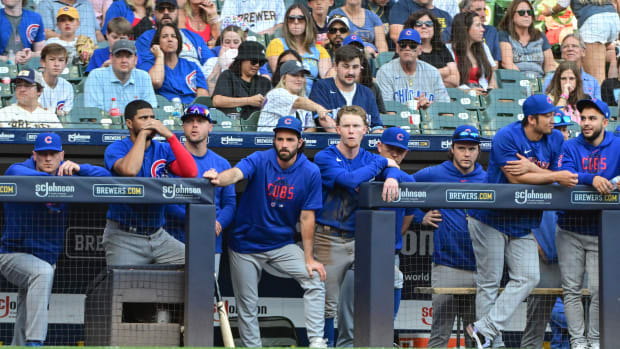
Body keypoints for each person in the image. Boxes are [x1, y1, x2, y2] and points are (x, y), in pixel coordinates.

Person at [204, 116, 328, 348]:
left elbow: (307, 217)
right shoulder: (260, 158)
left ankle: (317, 341)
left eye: (290, 139)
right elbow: (238, 173)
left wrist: (309, 258)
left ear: (300, 142)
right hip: (245, 246)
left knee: (314, 279)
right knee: (247, 304)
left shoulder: (310, 171)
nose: (284, 144)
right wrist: (220, 179)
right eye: (280, 138)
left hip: (281, 245)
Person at [466, 94, 578, 348]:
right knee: (490, 282)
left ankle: (484, 328)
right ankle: (490, 344)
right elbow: (516, 180)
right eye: (547, 116)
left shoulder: (557, 139)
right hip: (489, 219)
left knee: (529, 276)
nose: (553, 119)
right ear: (531, 119)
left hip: (523, 222)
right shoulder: (507, 136)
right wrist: (552, 175)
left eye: (553, 114)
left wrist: (534, 168)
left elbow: (564, 177)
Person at [0, 133, 109, 346]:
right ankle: (35, 342)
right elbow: (16, 172)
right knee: (42, 273)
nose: (48, 158)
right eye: (42, 154)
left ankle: (19, 344)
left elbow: (105, 175)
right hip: (12, 256)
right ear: (34, 155)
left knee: (27, 304)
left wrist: (79, 169)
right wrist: (61, 180)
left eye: (53, 154)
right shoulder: (19, 170)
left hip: (45, 256)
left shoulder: (68, 173)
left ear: (62, 155)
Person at [313, 105, 400, 346]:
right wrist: (384, 163)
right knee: (328, 303)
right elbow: (348, 180)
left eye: (356, 126)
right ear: (338, 129)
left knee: (395, 277)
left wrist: (392, 175)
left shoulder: (372, 158)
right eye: (347, 126)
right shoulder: (326, 156)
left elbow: (404, 176)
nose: (351, 131)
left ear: (365, 130)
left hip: (361, 240)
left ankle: (383, 337)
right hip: (329, 238)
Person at [410, 125, 486, 349]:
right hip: (447, 266)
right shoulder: (435, 173)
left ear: (478, 151)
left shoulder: (487, 177)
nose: (466, 153)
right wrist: (419, 217)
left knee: (477, 335)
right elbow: (401, 190)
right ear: (452, 149)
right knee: (440, 332)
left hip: (481, 269)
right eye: (461, 148)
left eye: (471, 148)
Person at [556, 98, 620, 349]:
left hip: (600, 230)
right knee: (571, 289)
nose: (586, 123)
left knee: (597, 289)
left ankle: (594, 341)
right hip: (569, 228)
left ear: (605, 121)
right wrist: (592, 178)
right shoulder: (570, 146)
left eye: (592, 118)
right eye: (583, 118)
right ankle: (578, 342)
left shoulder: (617, 145)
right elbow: (565, 175)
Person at [102, 99, 197, 266]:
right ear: (130, 123)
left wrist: (170, 136)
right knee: (123, 289)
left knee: (194, 264)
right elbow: (130, 170)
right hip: (124, 235)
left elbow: (190, 172)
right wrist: (143, 135)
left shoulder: (162, 149)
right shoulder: (116, 148)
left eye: (152, 117)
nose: (150, 122)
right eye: (143, 118)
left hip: (158, 235)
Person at [164, 104, 235, 276]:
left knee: (205, 296)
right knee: (171, 296)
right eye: (189, 121)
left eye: (200, 121)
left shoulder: (222, 163)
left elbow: (230, 203)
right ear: (183, 127)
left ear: (210, 127)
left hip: (209, 241)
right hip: (176, 239)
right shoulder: (171, 160)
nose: (194, 125)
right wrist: (200, 222)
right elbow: (167, 203)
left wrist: (217, 223)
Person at [520, 110, 571, 349]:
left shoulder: (575, 162)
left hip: (571, 257)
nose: (561, 134)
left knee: (577, 320)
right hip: (542, 258)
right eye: (557, 129)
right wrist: (533, 242)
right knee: (536, 324)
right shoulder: (537, 163)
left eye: (565, 129)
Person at [374, 127, 415, 325]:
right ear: (379, 146)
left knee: (394, 284)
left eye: (400, 150)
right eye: (391, 148)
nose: (395, 154)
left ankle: (386, 335)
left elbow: (406, 222)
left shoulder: (408, 180)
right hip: (354, 246)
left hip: (389, 251)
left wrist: (394, 173)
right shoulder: (366, 171)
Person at [540, 0, 620, 85]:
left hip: (593, 23)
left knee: (596, 78)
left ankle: (599, 96)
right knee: (604, 57)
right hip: (612, 18)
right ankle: (612, 92)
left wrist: (550, 10)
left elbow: (562, 4)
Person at [309, 45, 384, 132]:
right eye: (346, 66)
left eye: (355, 67)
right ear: (336, 66)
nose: (350, 72)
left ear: (360, 68)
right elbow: (325, 122)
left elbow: (376, 126)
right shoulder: (322, 87)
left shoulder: (367, 93)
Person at [266, 5, 332, 95]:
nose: (296, 22)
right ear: (286, 23)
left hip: (312, 99)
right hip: (285, 97)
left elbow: (327, 80)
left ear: (307, 22)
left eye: (300, 19)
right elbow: (281, 76)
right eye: (291, 19)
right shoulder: (276, 44)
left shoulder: (319, 50)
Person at [376, 29, 450, 109]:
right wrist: (406, 109)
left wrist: (430, 107)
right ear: (397, 48)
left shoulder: (432, 72)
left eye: (412, 45)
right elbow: (385, 109)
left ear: (420, 50)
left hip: (428, 120)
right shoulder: (385, 72)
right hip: (398, 120)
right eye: (403, 44)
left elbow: (446, 109)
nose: (407, 48)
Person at [135, 0, 213, 71]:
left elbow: (210, 63)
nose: (166, 12)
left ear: (177, 12)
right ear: (155, 13)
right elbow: (146, 71)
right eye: (161, 9)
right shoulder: (145, 38)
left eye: (171, 8)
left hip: (198, 81)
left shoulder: (193, 37)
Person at [85, 39, 157, 113]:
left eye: (128, 56)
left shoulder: (144, 77)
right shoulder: (96, 76)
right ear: (111, 58)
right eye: (119, 56)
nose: (124, 60)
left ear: (135, 60)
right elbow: (94, 113)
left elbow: (150, 111)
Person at [142, 23, 208, 103]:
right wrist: (159, 56)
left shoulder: (192, 66)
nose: (170, 39)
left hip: (191, 111)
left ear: (178, 42)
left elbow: (203, 95)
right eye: (165, 36)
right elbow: (156, 82)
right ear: (157, 43)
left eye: (174, 36)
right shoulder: (149, 65)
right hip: (164, 111)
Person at [259, 60, 329, 132]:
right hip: (267, 140)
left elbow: (311, 127)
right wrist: (319, 108)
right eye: (294, 75)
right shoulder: (276, 94)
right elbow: (298, 102)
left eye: (302, 76)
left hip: (290, 140)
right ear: (283, 78)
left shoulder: (304, 99)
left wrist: (300, 139)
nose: (299, 79)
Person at [211, 40, 272, 119]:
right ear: (242, 60)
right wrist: (249, 100)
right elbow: (217, 101)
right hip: (231, 127)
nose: (257, 65)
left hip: (257, 127)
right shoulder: (228, 76)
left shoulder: (264, 82)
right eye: (253, 61)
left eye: (261, 62)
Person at [497, 0, 556, 78]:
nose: (526, 15)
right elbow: (507, 63)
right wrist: (526, 81)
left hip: (539, 81)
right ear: (511, 16)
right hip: (516, 81)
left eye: (529, 12)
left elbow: (550, 65)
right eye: (521, 12)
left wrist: (547, 82)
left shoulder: (540, 36)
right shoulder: (504, 35)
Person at [403, 9, 458, 88]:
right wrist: (446, 71)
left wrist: (428, 77)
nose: (424, 26)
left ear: (434, 28)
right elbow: (416, 80)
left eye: (429, 24)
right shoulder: (406, 48)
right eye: (418, 24)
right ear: (411, 28)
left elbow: (455, 80)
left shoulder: (441, 48)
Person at [447, 12, 497, 93]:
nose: (483, 29)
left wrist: (490, 90)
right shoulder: (448, 50)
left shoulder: (483, 47)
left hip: (484, 96)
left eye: (482, 25)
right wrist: (468, 91)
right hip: (461, 98)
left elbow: (493, 72)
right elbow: (447, 84)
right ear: (465, 29)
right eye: (478, 25)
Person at [542, 34, 601, 100]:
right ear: (561, 53)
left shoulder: (593, 82)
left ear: (583, 52)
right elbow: (546, 106)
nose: (570, 49)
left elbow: (598, 107)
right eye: (566, 47)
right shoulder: (550, 79)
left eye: (574, 46)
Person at [0, 0, 46, 64]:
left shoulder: (35, 18)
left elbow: (41, 52)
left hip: (27, 68)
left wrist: (31, 55)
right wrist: (8, 59)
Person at [38, 0, 102, 42]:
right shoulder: (46, 4)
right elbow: (45, 33)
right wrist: (74, 39)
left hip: (93, 52)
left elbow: (97, 31)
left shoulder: (87, 3)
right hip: (64, 54)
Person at [38, 44, 74, 116]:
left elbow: (66, 114)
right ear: (43, 62)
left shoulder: (67, 86)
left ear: (65, 64)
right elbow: (32, 110)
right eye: (52, 59)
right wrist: (55, 111)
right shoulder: (33, 82)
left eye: (61, 60)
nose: (56, 64)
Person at [218, 0, 285, 35]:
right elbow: (225, 22)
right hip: (243, 41)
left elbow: (283, 22)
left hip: (270, 40)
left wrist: (272, 30)